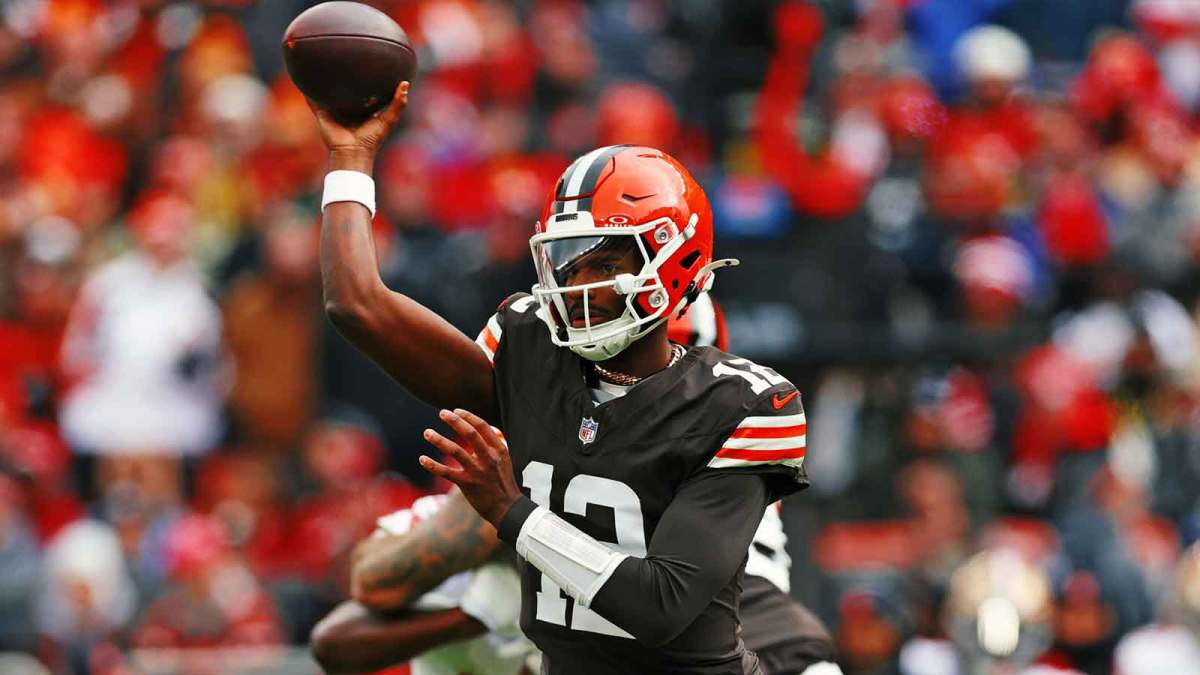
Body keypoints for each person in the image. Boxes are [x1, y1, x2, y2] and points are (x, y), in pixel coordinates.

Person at [312, 83, 809, 673]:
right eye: (567, 262)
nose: (579, 286)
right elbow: (356, 305)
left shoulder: (748, 405)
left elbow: (661, 607)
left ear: (676, 264)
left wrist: (512, 512)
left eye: (606, 262)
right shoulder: (530, 346)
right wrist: (351, 159)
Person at [311, 295, 839, 675]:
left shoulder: (727, 461)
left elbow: (672, 605)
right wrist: (475, 613)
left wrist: (514, 518)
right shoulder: (525, 464)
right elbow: (357, 607)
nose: (629, 395)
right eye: (611, 377)